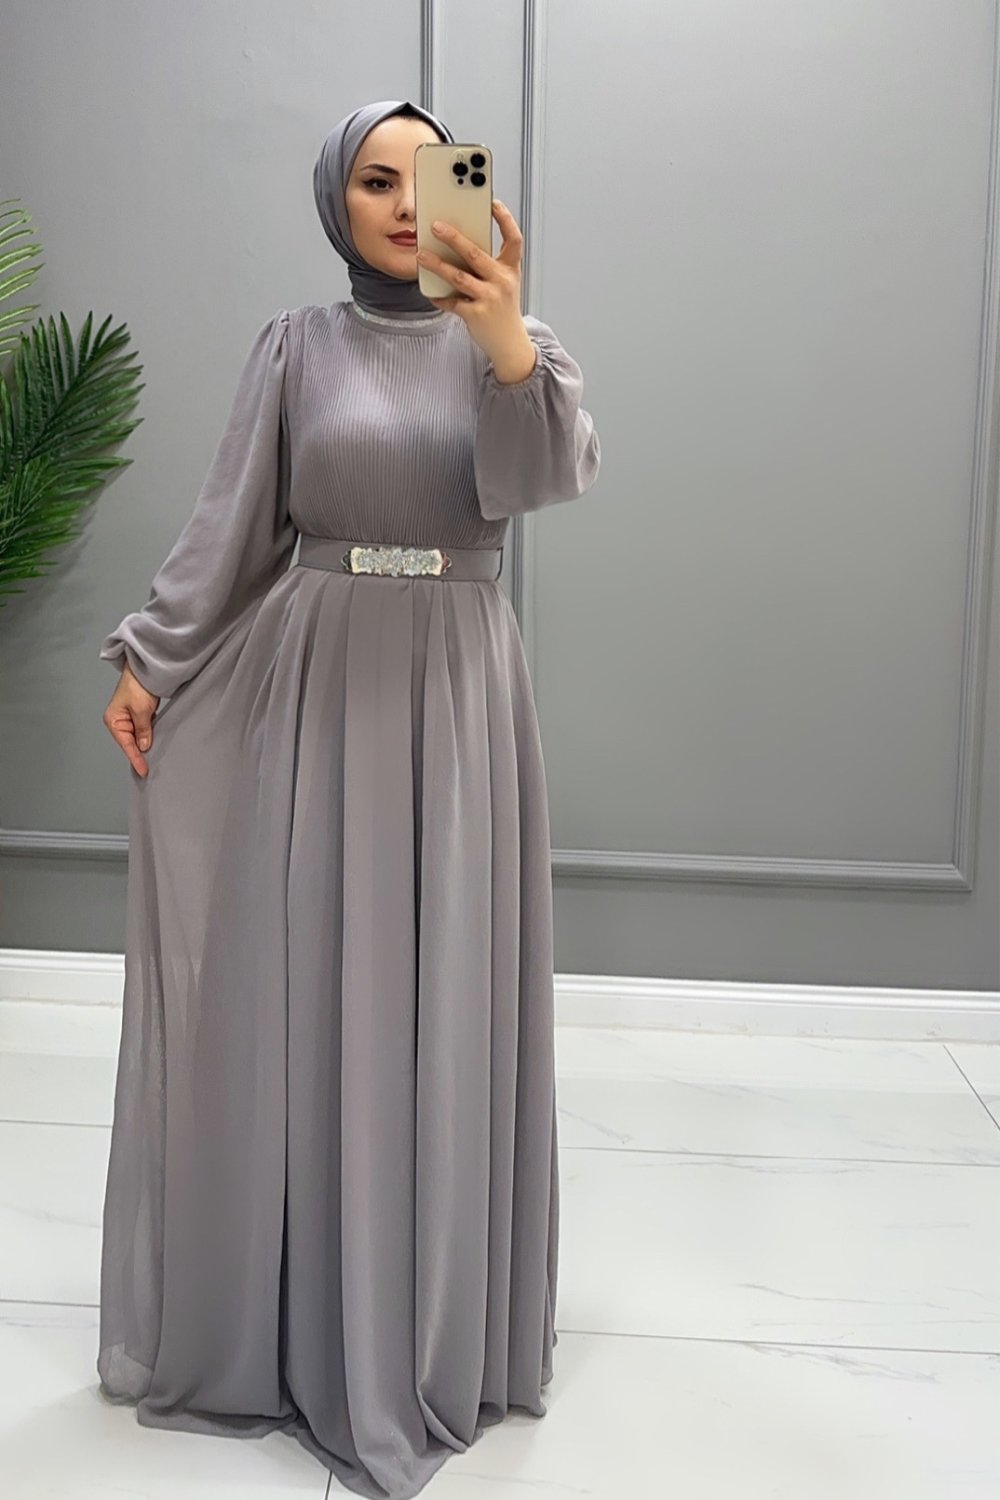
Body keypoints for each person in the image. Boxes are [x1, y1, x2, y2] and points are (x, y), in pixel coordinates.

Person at [96, 98, 601, 1500]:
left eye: (428, 176)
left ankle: (426, 1324)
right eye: (375, 180)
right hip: (316, 686)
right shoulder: (294, 345)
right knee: (311, 987)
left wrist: (503, 338)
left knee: (441, 990)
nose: (403, 203)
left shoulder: (520, 346)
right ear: (337, 199)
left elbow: (539, 482)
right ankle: (296, 1312)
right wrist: (151, 655)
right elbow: (232, 520)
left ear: (468, 191)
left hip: (457, 695)